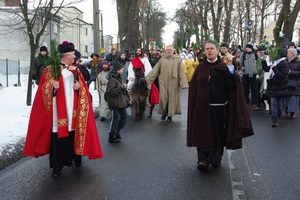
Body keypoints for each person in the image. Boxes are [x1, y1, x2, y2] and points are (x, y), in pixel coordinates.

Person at [24, 41, 103, 178]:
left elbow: (83, 89)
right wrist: (51, 87)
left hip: (72, 110)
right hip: (57, 112)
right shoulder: (50, 70)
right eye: (73, 54)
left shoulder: (75, 70)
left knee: (73, 134)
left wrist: (79, 88)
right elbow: (43, 90)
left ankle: (77, 157)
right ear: (67, 56)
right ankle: (57, 166)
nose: (75, 57)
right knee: (58, 138)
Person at [187, 42, 254, 173]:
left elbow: (232, 84)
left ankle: (214, 158)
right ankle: (203, 160)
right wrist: (205, 80)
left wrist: (230, 68)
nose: (209, 51)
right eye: (207, 49)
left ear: (218, 51)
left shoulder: (224, 67)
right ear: (204, 52)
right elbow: (194, 88)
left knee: (217, 134)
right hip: (202, 107)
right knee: (203, 132)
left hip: (219, 108)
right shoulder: (201, 68)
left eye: (212, 49)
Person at [145, 45, 189, 122]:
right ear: (165, 51)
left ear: (173, 50)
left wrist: (184, 84)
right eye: (167, 49)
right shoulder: (162, 60)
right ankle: (163, 113)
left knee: (172, 99)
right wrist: (146, 80)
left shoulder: (177, 60)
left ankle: (170, 115)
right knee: (163, 98)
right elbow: (154, 71)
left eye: (170, 49)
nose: (168, 51)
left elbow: (181, 72)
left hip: (174, 83)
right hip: (163, 83)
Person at [265, 49, 290, 127]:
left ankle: (278, 115)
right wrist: (263, 61)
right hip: (274, 87)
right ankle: (275, 119)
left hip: (281, 87)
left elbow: (281, 76)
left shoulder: (284, 64)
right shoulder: (274, 63)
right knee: (274, 104)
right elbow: (266, 69)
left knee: (279, 105)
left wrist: (275, 68)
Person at [106, 61, 129, 143]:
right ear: (117, 70)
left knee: (124, 117)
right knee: (115, 119)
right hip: (115, 103)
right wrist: (121, 88)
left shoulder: (118, 77)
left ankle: (117, 131)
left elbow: (122, 93)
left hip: (120, 102)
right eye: (121, 69)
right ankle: (112, 135)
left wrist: (126, 100)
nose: (122, 70)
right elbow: (110, 92)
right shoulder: (112, 79)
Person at [239, 43, 262, 111]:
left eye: (248, 48)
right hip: (245, 74)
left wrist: (258, 72)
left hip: (254, 75)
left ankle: (254, 104)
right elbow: (240, 63)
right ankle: (245, 103)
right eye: (246, 48)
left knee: (254, 90)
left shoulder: (256, 55)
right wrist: (242, 69)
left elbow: (259, 64)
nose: (247, 49)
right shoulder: (243, 55)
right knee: (245, 89)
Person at [286, 48, 300, 119]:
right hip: (286, 81)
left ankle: (292, 112)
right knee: (286, 96)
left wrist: (290, 72)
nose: (287, 54)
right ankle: (287, 108)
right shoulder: (286, 61)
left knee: (293, 98)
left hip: (295, 82)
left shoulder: (298, 62)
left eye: (289, 53)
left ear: (293, 54)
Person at [257, 46, 272, 111]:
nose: (261, 54)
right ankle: (258, 102)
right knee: (258, 89)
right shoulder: (256, 57)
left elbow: (266, 68)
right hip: (258, 75)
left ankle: (266, 104)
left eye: (262, 52)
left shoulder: (266, 58)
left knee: (264, 91)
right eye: (260, 52)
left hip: (265, 76)